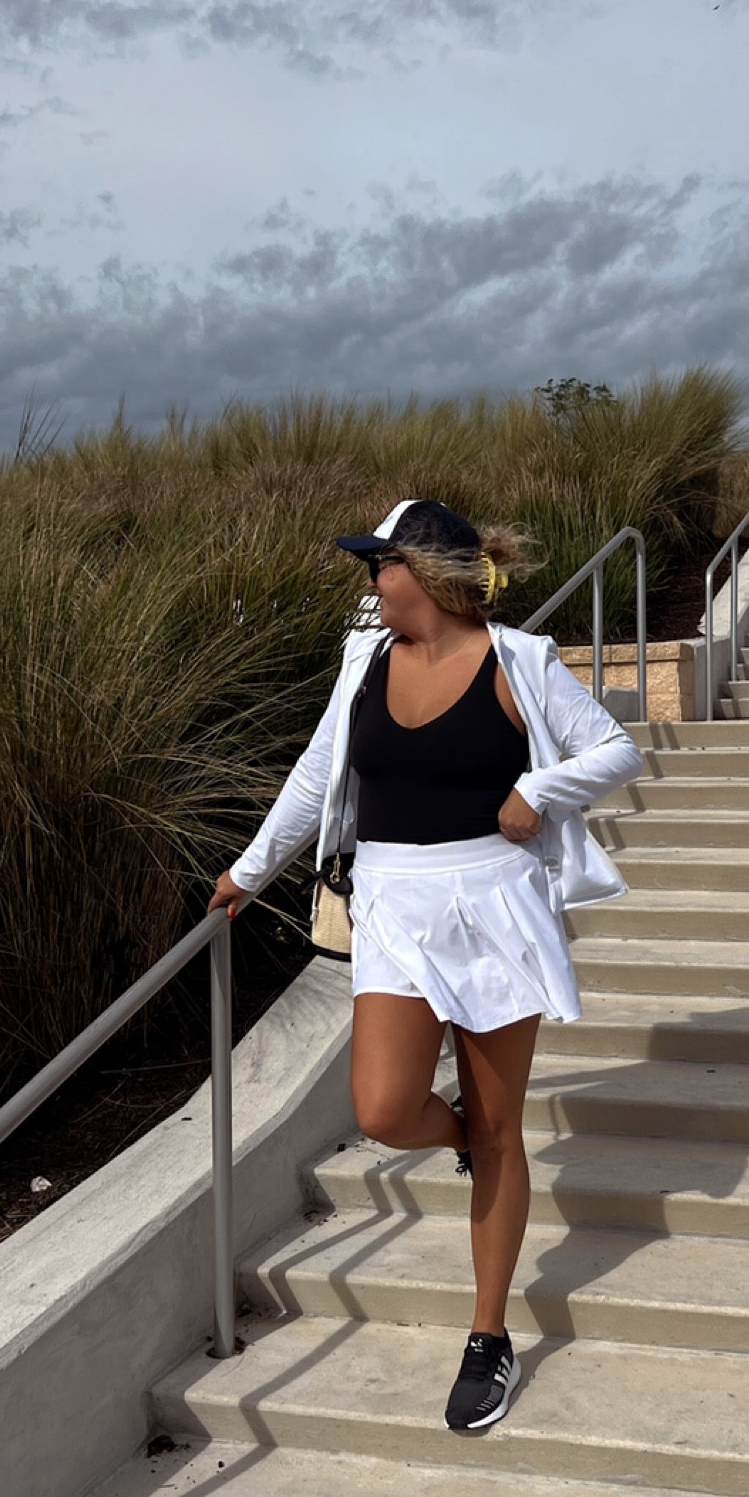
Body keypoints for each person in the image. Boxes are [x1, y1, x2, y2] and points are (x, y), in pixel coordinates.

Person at [208, 499, 644, 1430]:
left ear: (430, 573)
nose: (371, 581)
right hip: (395, 907)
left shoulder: (518, 661)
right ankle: (469, 1150)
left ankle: (489, 1334)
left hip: (493, 905)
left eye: (381, 565)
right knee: (384, 1109)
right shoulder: (365, 661)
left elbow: (616, 749)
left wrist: (538, 787)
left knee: (501, 1125)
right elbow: (319, 773)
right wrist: (249, 871)